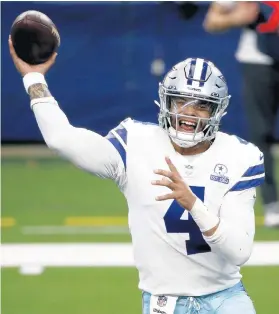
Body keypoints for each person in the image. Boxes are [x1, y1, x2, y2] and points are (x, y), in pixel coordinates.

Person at [9, 36, 264, 314]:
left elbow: (240, 252)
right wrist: (34, 78)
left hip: (224, 299)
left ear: (217, 110)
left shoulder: (240, 156)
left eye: (201, 104)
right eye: (180, 100)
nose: (189, 112)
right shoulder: (135, 142)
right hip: (163, 302)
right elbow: (61, 139)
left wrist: (193, 204)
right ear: (166, 101)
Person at [204, 1, 279, 228]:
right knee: (261, 133)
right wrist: (236, 18)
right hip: (259, 61)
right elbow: (212, 20)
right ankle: (272, 204)